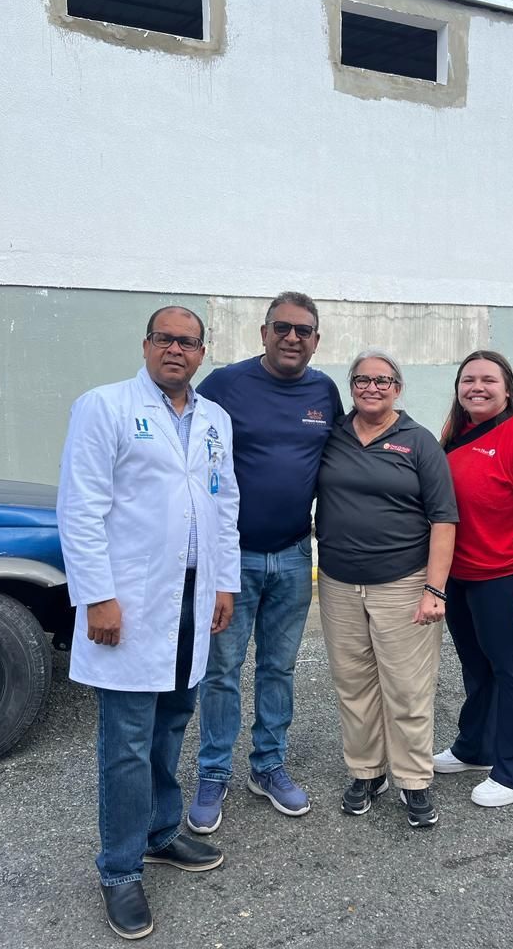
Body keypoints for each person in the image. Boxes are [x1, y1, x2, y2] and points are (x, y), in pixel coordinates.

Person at [57, 306, 240, 941]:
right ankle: (118, 869)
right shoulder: (103, 407)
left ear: (201, 353)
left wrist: (225, 582)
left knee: (172, 725)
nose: (176, 350)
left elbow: (224, 504)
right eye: (166, 339)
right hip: (131, 600)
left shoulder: (214, 419)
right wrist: (98, 596)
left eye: (189, 343)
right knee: (128, 741)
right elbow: (80, 509)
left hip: (192, 597)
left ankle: (163, 833)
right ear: (146, 344)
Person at [186, 292, 343, 833]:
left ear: (316, 340)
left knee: (279, 667)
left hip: (297, 555)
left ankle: (268, 766)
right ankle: (213, 773)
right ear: (263, 332)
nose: (292, 337)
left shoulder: (324, 391)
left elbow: (343, 459)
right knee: (222, 670)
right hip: (233, 560)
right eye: (283, 328)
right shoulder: (226, 384)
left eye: (303, 330)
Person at [314, 350, 458, 828]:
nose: (371, 388)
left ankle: (414, 780)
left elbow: (444, 519)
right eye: (361, 380)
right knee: (353, 684)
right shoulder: (332, 434)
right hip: (338, 583)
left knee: (407, 688)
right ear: (351, 386)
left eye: (382, 380)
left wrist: (435, 589)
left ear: (398, 387)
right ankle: (366, 772)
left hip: (403, 582)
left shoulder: (418, 443)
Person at [432, 350, 513, 808]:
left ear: (507, 388)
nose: (477, 387)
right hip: (465, 574)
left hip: (509, 575)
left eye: (488, 379)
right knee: (478, 667)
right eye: (468, 379)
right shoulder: (456, 432)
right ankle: (477, 748)